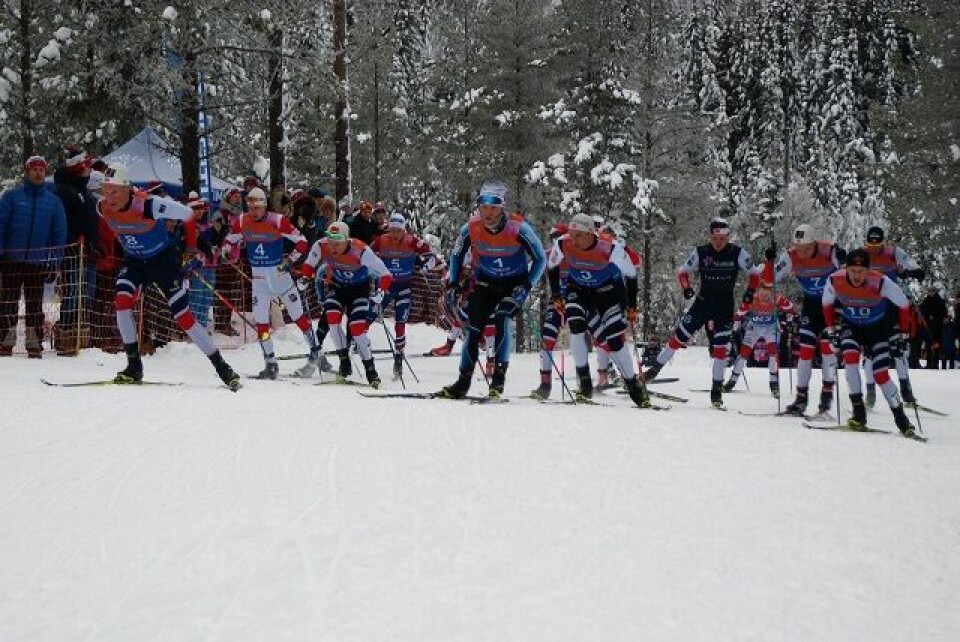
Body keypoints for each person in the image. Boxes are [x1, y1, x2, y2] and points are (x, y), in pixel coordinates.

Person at [94, 164, 239, 388]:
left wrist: (191, 246)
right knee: (121, 301)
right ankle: (134, 366)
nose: (109, 196)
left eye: (115, 191)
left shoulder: (148, 205)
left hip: (163, 262)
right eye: (106, 190)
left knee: (184, 318)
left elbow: (189, 214)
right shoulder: (102, 207)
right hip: (135, 262)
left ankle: (222, 367)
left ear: (127, 189)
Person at [438, 180, 546, 399]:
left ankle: (498, 381)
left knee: (502, 318)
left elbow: (540, 258)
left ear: (502, 206)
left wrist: (526, 286)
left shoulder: (518, 228)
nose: (488, 212)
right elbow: (457, 255)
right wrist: (452, 284)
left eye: (493, 207)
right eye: (483, 206)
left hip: (513, 284)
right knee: (473, 327)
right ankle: (462, 382)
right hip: (486, 282)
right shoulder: (470, 227)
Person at [643, 217, 757, 408]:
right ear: (710, 237)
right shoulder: (701, 252)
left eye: (722, 239)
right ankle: (652, 372)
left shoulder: (737, 252)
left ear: (728, 237)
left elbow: (755, 274)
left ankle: (716, 391)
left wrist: (750, 292)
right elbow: (682, 272)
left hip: (724, 306)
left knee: (720, 350)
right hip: (703, 303)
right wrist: (686, 288)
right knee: (678, 338)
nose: (718, 243)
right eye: (714, 238)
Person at [547, 213, 650, 406]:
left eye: (578, 234)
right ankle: (584, 380)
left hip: (609, 292)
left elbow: (631, 274)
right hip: (578, 289)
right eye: (571, 233)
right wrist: (556, 295)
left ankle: (633, 385)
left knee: (614, 340)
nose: (573, 239)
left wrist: (632, 306)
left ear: (590, 234)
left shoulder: (610, 248)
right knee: (576, 325)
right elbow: (551, 266)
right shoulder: (563, 243)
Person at [220, 187, 319, 379]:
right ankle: (270, 363)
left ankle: (316, 352)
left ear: (264, 205)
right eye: (249, 207)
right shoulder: (241, 220)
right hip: (259, 280)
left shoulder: (277, 220)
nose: (253, 211)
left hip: (280, 277)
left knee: (298, 316)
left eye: (256, 207)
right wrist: (226, 250)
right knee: (262, 323)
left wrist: (290, 261)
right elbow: (230, 241)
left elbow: (302, 241)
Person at [822, 249, 919, 437]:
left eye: (861, 271)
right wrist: (831, 330)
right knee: (850, 361)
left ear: (868, 270)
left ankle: (901, 418)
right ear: (846, 269)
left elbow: (904, 304)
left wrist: (903, 335)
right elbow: (826, 304)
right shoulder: (835, 280)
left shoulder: (880, 281)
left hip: (877, 329)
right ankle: (859, 412)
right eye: (853, 271)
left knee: (880, 374)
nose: (857, 275)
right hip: (852, 327)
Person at [299, 221, 392, 386]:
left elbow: (385, 273)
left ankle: (371, 371)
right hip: (337, 287)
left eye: (337, 243)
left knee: (357, 329)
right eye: (330, 242)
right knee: (332, 321)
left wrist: (381, 292)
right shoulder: (321, 245)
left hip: (359, 290)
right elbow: (309, 264)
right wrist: (305, 277)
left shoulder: (361, 250)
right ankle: (344, 362)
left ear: (346, 241)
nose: (332, 247)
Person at [768, 224, 843, 416]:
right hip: (810, 305)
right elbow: (769, 280)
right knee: (805, 352)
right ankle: (801, 400)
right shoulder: (791, 256)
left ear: (814, 243)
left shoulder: (829, 251)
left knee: (827, 350)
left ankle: (826, 399)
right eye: (798, 248)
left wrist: (844, 259)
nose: (802, 252)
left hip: (831, 305)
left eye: (806, 249)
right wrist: (769, 262)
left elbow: (850, 270)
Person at [0, 155, 67, 357]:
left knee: (34, 304)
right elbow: (1, 226)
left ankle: (34, 343)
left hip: (38, 262)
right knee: (8, 302)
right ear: (27, 172)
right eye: (34, 169)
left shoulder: (54, 202)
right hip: (11, 259)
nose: (38, 173)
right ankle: (5, 341)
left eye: (42, 170)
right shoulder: (12, 197)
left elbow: (59, 234)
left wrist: (54, 261)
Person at [862, 225, 923, 405]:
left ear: (883, 242)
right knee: (869, 352)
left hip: (890, 306)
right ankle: (870, 392)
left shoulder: (893, 252)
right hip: (870, 307)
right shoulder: (862, 254)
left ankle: (906, 392)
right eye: (870, 243)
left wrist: (913, 271)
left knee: (898, 348)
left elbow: (908, 263)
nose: (874, 247)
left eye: (877, 243)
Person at [370, 213, 434, 379]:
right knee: (370, 315)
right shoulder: (381, 240)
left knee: (400, 322)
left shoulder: (411, 240)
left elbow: (430, 256)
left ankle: (398, 360)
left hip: (404, 287)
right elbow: (365, 254)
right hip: (385, 287)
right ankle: (357, 346)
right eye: (392, 230)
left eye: (398, 230)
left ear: (403, 230)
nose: (394, 234)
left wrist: (424, 267)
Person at [722, 264, 796, 398]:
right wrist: (733, 330)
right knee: (744, 353)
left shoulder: (777, 298)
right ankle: (731, 382)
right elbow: (738, 315)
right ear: (758, 289)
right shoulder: (751, 299)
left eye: (768, 292)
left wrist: (788, 323)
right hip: (754, 327)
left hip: (770, 327)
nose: (765, 296)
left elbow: (791, 309)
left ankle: (774, 384)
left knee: (773, 353)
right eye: (762, 292)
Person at [53, 145, 100, 355]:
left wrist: (94, 243)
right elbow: (63, 222)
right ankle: (67, 334)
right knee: (73, 292)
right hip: (74, 251)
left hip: (88, 251)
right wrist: (74, 240)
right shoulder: (66, 191)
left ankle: (81, 335)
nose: (89, 171)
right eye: (86, 167)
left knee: (87, 293)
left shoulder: (84, 191)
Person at [532, 222, 569, 399]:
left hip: (580, 303)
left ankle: (610, 373)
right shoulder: (548, 254)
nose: (555, 242)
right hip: (556, 304)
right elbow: (531, 265)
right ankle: (545, 385)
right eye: (553, 238)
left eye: (559, 238)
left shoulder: (574, 253)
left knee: (599, 337)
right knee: (547, 340)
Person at [919, 286, 948, 368]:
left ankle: (935, 364)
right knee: (928, 346)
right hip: (928, 327)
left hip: (937, 327)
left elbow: (944, 313)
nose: (931, 292)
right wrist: (927, 316)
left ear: (935, 291)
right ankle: (928, 363)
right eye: (929, 291)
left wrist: (935, 316)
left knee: (936, 345)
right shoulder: (926, 301)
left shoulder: (940, 301)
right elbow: (922, 310)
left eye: (932, 291)